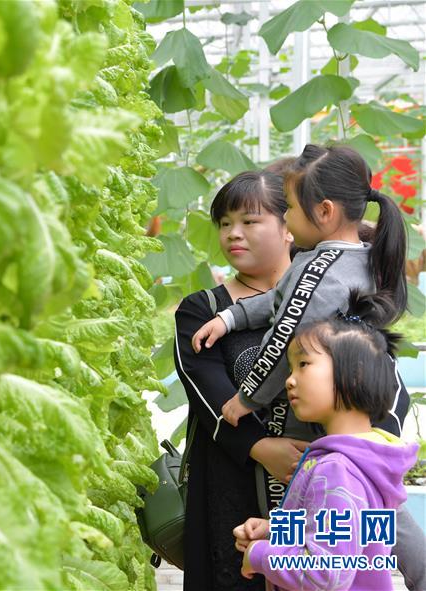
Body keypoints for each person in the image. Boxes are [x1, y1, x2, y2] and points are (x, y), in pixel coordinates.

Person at [191, 144, 409, 434]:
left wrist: (247, 398)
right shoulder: (362, 259)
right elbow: (287, 298)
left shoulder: (319, 273)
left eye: (290, 207)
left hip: (305, 419)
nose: (287, 218)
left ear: (324, 211)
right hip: (348, 413)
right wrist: (231, 318)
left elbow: (283, 338)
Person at [175, 170, 311, 590]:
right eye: (225, 223)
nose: (234, 233)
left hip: (317, 479)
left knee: (312, 571)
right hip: (228, 483)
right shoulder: (202, 310)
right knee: (238, 574)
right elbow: (207, 391)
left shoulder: (324, 298)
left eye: (250, 222)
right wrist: (262, 448)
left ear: (290, 226)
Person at [234, 292, 418, 590]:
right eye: (290, 369)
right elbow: (346, 534)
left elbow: (326, 573)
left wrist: (258, 554)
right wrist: (274, 531)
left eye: (303, 364)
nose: (289, 380)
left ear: (354, 375)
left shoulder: (337, 469)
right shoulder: (366, 459)